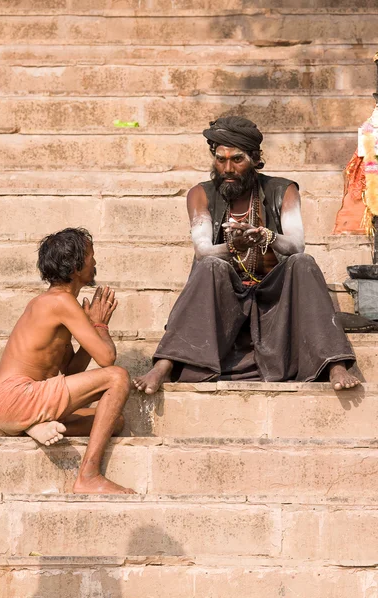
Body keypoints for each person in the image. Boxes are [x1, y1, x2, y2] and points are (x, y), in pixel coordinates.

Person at [133, 116, 360, 394]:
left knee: (303, 263)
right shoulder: (199, 194)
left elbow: (297, 245)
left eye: (237, 159)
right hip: (225, 299)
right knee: (211, 265)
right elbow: (202, 250)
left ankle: (334, 363)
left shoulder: (283, 190)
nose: (228, 168)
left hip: (276, 300)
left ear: (254, 158)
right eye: (220, 159)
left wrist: (266, 236)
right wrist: (233, 249)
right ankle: (164, 365)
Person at [0, 227, 134, 495]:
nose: (95, 262)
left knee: (115, 421)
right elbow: (107, 359)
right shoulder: (62, 302)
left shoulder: (51, 302)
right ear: (76, 266)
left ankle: (31, 426)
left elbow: (69, 371)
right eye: (91, 255)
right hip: (18, 398)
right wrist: (100, 325)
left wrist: (90, 327)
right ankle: (88, 475)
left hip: (11, 407)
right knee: (118, 376)